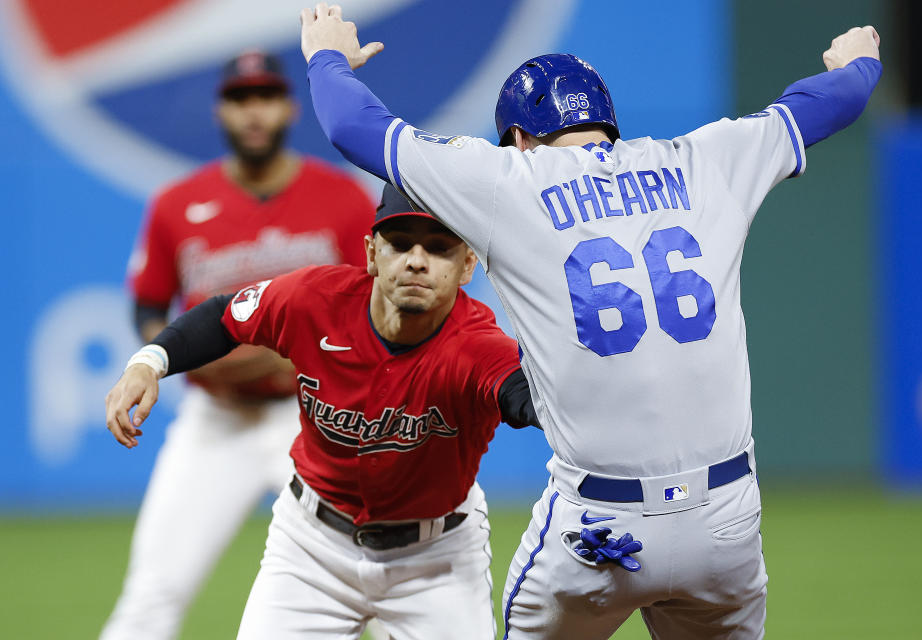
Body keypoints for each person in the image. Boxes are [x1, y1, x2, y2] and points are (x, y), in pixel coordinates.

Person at [297, 5, 882, 638]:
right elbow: (836, 100)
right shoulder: (706, 158)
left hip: (602, 526)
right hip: (726, 519)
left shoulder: (506, 181)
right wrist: (860, 61)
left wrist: (326, 55)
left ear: (519, 138)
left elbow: (351, 124)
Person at [106, 184, 540, 639]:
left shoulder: (478, 347)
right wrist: (149, 362)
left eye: (438, 247)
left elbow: (530, 399)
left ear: (468, 264)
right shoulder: (315, 299)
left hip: (436, 562)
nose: (416, 260)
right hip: (310, 551)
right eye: (399, 244)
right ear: (371, 254)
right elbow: (223, 316)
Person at [101, 49, 376, 640]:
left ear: (288, 106)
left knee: (365, 587)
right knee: (151, 595)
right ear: (221, 110)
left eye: (266, 96)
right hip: (216, 422)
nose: (254, 112)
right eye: (240, 98)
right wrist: (176, 356)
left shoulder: (343, 199)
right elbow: (149, 305)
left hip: (316, 420)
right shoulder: (177, 204)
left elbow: (371, 306)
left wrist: (302, 353)